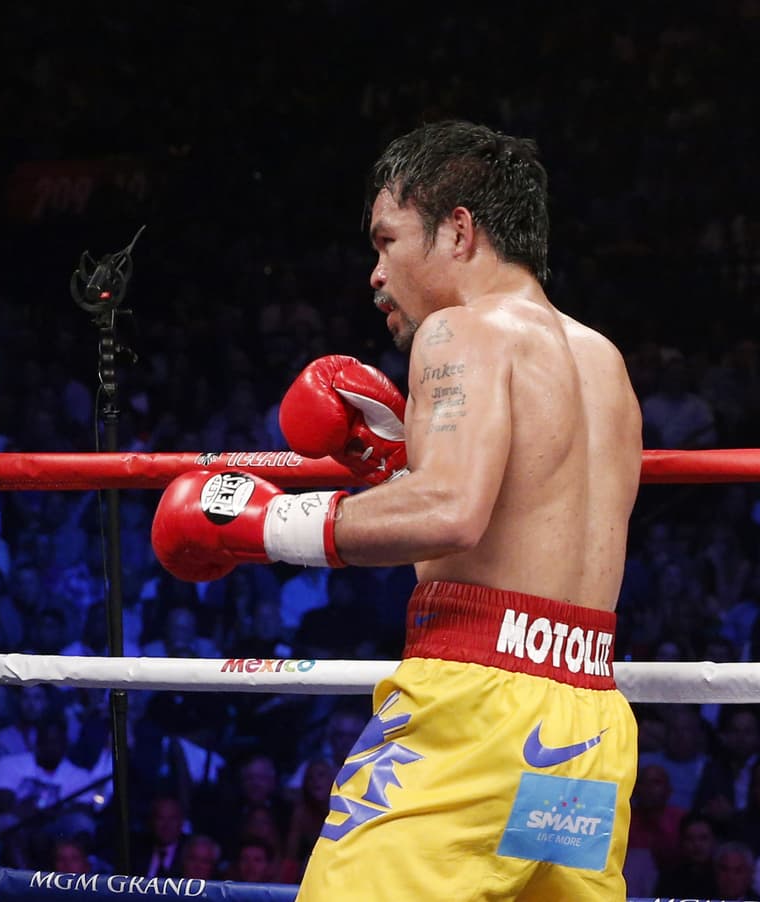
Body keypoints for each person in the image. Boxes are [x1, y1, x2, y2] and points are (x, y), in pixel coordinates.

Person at [150, 120, 643, 899]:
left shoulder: (461, 329)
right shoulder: (603, 360)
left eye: (387, 241)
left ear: (458, 231)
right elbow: (516, 526)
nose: (376, 273)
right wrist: (397, 468)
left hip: (477, 714)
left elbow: (451, 509)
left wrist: (269, 524)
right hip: (588, 719)